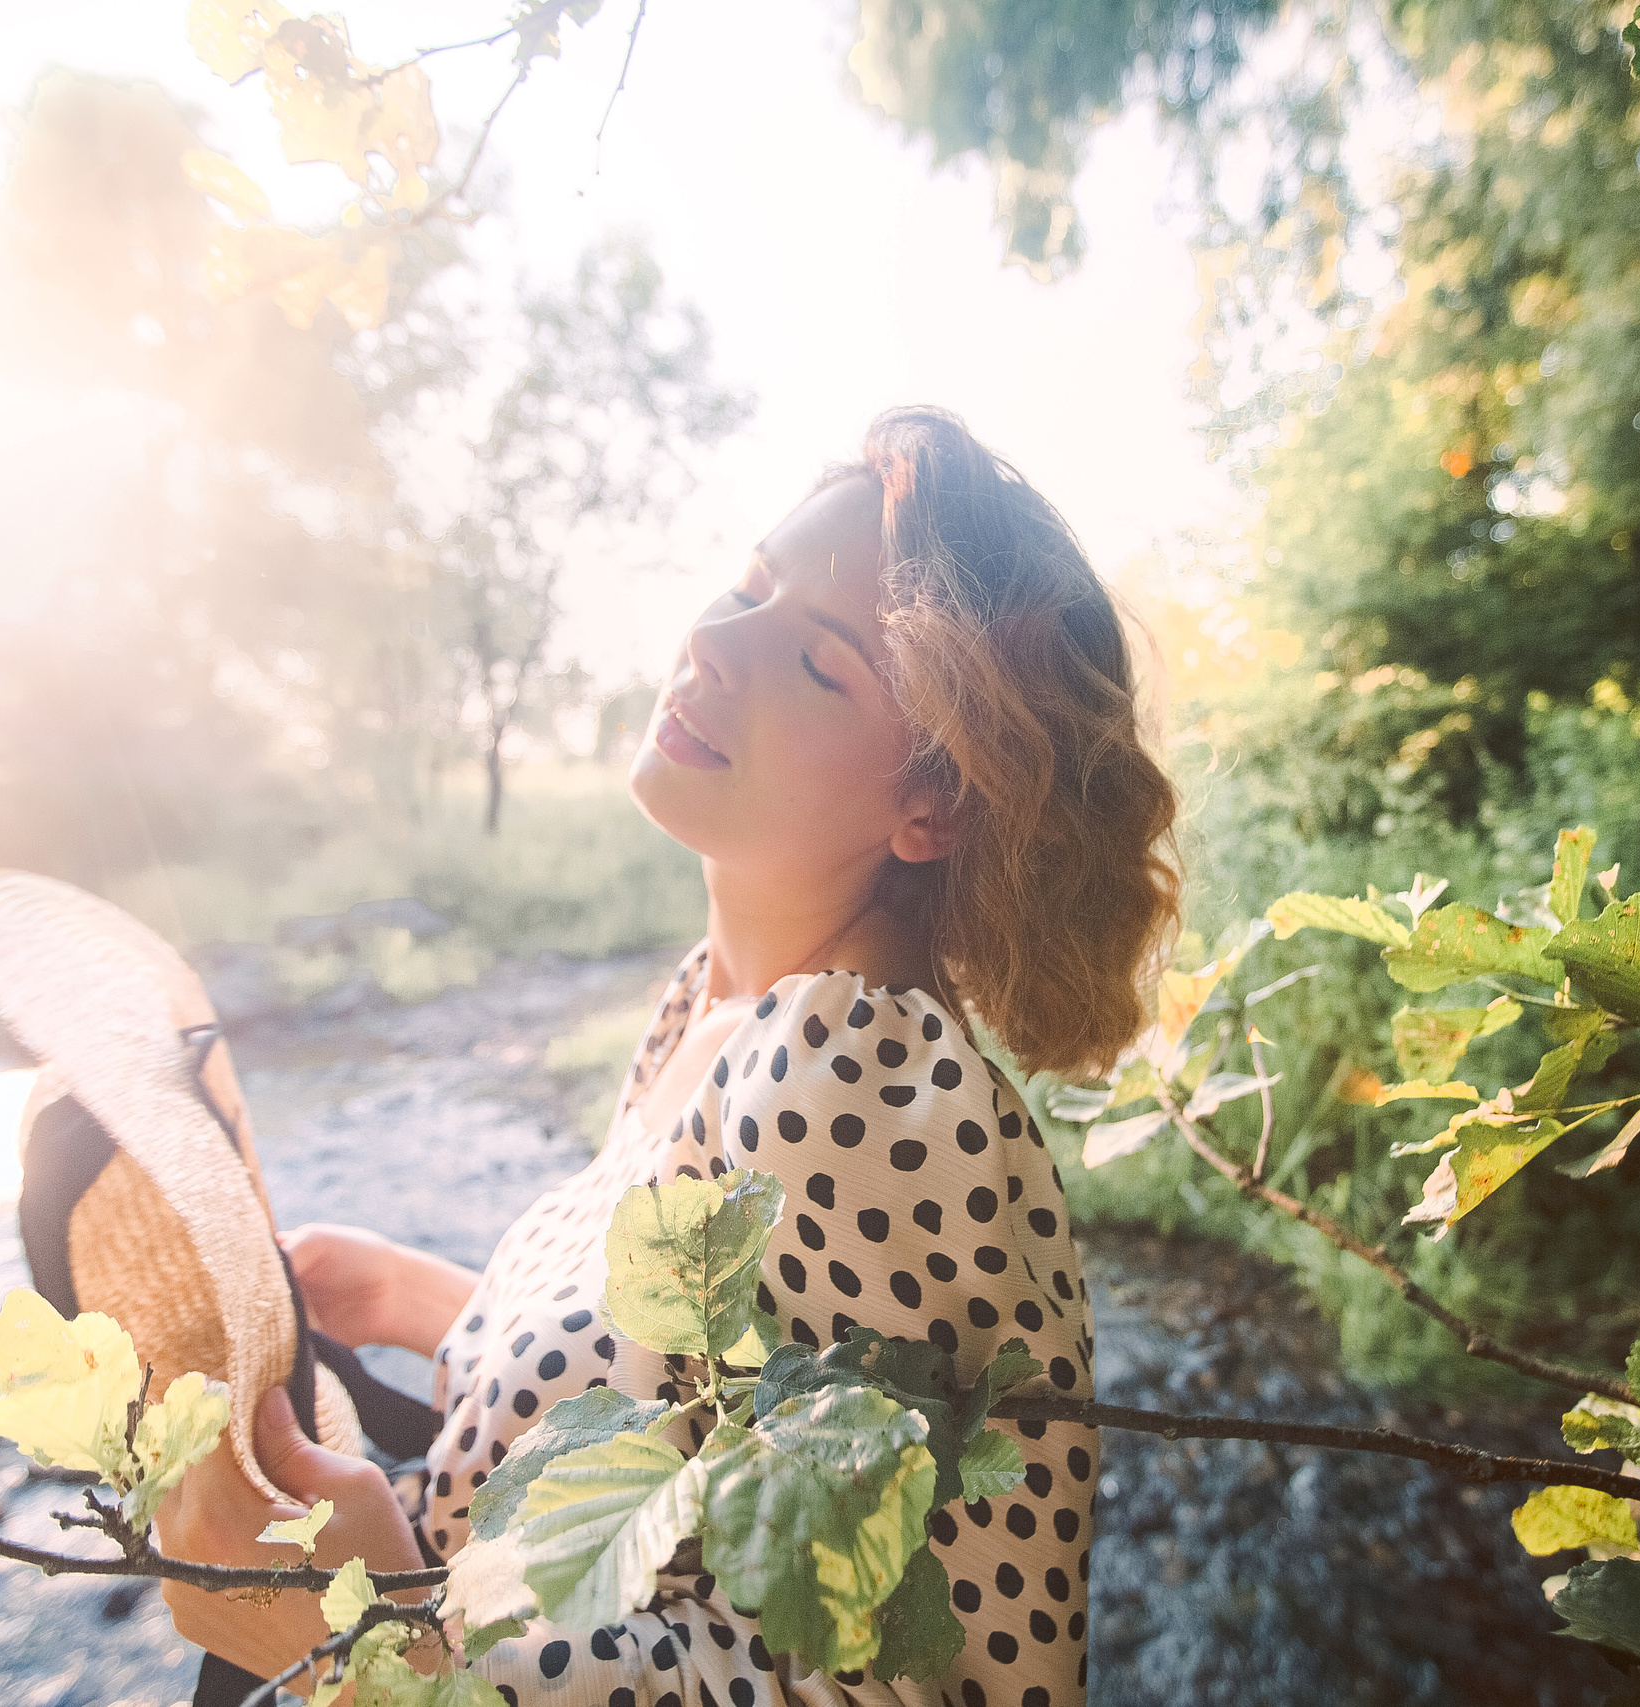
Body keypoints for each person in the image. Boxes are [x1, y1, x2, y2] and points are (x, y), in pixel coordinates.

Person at [155, 406, 1180, 1706]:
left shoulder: (855, 1085)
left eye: (817, 663)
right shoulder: (720, 1006)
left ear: (931, 803)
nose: (714, 637)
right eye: (747, 586)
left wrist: (373, 1647)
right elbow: (695, 1420)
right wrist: (448, 1312)